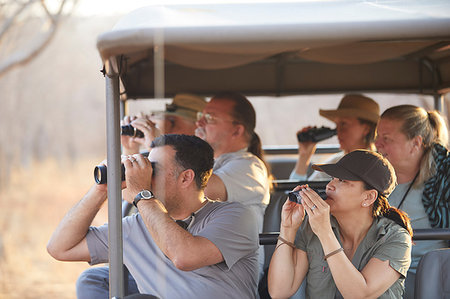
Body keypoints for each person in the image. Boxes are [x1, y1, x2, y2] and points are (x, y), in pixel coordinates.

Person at [47, 134, 260, 299]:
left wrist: (143, 196)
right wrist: (101, 189)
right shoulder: (135, 227)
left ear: (186, 178)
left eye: (153, 168)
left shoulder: (235, 216)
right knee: (93, 279)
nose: (146, 174)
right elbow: (60, 248)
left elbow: (184, 257)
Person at [268, 150, 412, 298]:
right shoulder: (314, 226)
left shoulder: (396, 238)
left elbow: (359, 295)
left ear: (369, 197)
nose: (329, 185)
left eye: (342, 180)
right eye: (332, 178)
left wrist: (325, 233)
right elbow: (279, 291)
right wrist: (288, 228)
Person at [375, 104, 449, 298]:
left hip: (430, 277)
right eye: (377, 136)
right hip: (378, 271)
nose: (377, 144)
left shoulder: (444, 179)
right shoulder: (372, 179)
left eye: (386, 139)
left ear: (416, 143)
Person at [195, 91, 272, 277]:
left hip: (225, 277)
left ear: (236, 130)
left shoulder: (249, 167)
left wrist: (160, 146)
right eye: (201, 116)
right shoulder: (214, 164)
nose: (199, 123)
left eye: (210, 118)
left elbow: (195, 191)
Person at [290, 94, 379, 181]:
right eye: (336, 125)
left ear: (366, 129)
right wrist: (304, 156)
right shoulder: (333, 163)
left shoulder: (380, 165)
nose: (337, 131)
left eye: (344, 124)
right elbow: (295, 194)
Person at [121, 93, 206, 155]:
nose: (164, 128)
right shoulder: (149, 155)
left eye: (172, 123)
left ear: (199, 131)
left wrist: (156, 146)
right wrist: (130, 149)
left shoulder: (209, 164)